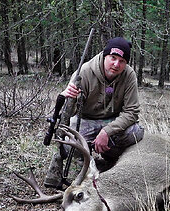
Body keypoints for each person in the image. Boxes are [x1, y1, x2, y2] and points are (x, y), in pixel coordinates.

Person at [45, 37, 144, 189]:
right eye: (113, 58)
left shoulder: (129, 75)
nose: (116, 64)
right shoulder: (84, 72)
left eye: (122, 61)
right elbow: (70, 113)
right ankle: (83, 165)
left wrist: (107, 132)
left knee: (135, 133)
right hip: (85, 120)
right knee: (69, 140)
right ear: (105, 56)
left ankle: (111, 158)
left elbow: (132, 112)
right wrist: (67, 97)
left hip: (112, 121)